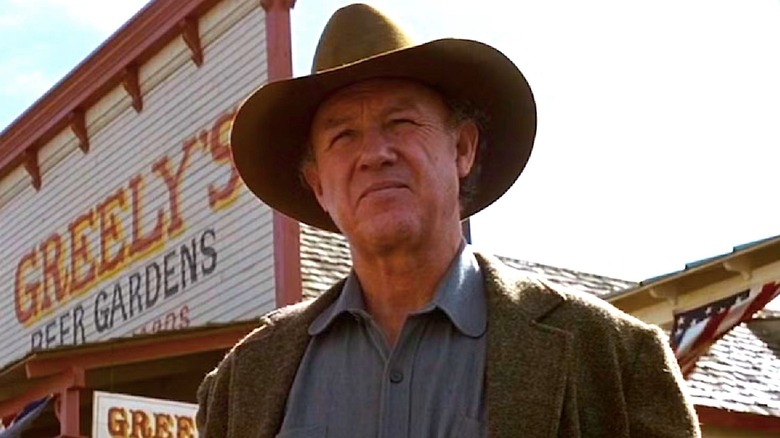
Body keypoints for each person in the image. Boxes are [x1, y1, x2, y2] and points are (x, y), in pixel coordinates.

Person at [196, 3, 700, 437]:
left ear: (462, 148)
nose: (375, 154)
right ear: (319, 184)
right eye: (343, 136)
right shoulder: (245, 381)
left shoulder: (612, 357)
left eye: (401, 122)